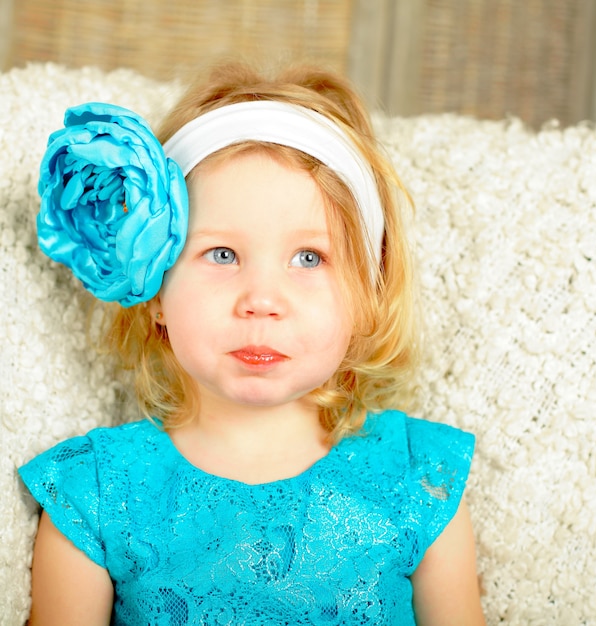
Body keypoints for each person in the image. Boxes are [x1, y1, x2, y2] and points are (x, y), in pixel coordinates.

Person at [20, 62, 485, 625]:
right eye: (222, 255)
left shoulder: (418, 481)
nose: (261, 299)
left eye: (309, 258)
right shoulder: (95, 495)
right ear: (156, 291)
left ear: (366, 296)